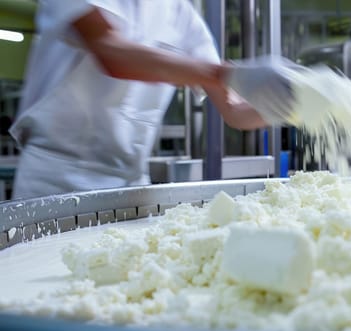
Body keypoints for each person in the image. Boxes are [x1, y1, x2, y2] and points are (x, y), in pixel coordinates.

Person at [10, 0, 294, 199]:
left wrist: (293, 102)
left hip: (131, 184)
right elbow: (111, 52)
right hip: (55, 179)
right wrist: (230, 74)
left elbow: (234, 111)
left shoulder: (182, 14)